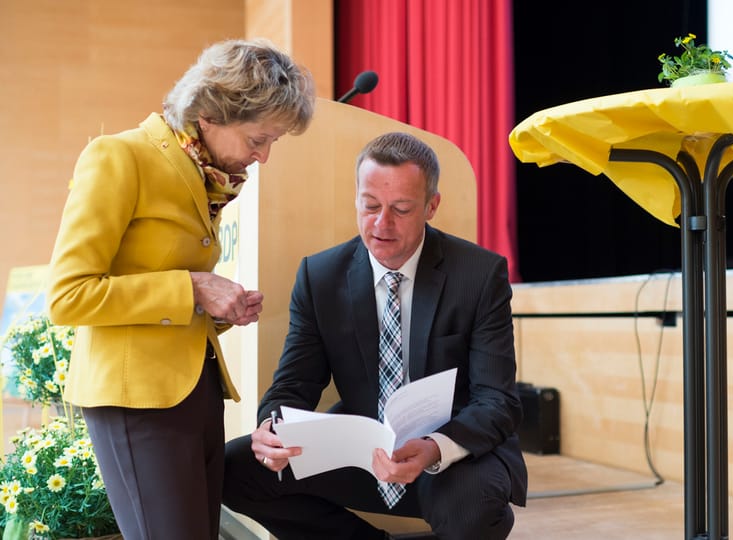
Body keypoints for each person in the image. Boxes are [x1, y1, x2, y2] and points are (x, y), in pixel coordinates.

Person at [45, 39, 315, 540]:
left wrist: (218, 307)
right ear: (211, 112)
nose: (264, 157)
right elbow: (67, 295)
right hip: (136, 400)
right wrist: (193, 287)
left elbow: (163, 294)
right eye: (259, 138)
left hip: (195, 393)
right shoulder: (118, 156)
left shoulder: (204, 175)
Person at [222, 131, 528, 539]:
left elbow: (498, 401)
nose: (381, 224)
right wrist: (271, 429)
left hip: (448, 453)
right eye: (369, 206)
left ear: (431, 206)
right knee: (233, 470)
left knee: (479, 507)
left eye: (401, 209)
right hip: (360, 450)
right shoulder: (320, 276)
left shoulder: (478, 274)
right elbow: (294, 384)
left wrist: (436, 447)